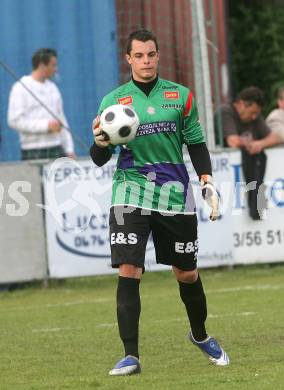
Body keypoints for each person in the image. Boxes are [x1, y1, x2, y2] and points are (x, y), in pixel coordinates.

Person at [90, 29, 229, 376]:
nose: (146, 61)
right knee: (129, 269)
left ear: (158, 55)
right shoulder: (113, 102)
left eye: (151, 54)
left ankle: (199, 335)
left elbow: (196, 143)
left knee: (186, 273)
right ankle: (131, 356)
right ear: (128, 59)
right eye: (139, 56)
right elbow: (97, 158)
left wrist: (206, 179)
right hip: (130, 190)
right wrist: (100, 143)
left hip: (174, 194)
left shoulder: (180, 96)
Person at [215, 87, 272, 220]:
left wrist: (260, 144)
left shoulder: (254, 115)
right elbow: (233, 141)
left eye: (256, 114)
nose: (254, 117)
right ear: (241, 104)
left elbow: (275, 136)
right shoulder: (225, 111)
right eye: (252, 112)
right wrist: (252, 143)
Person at [7, 48, 75, 160]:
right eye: (53, 65)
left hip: (56, 147)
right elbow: (14, 121)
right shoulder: (20, 88)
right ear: (42, 65)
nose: (55, 69)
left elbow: (61, 119)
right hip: (32, 150)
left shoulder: (53, 88)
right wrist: (46, 126)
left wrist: (69, 149)